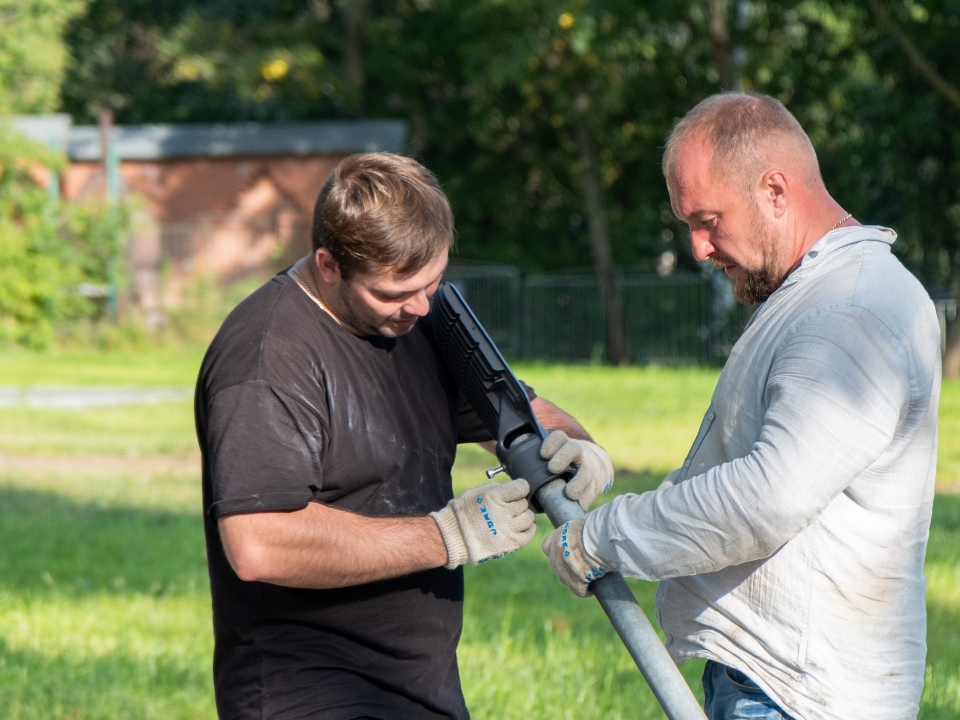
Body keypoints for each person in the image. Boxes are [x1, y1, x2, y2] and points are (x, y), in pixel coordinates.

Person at [542, 92, 940, 720]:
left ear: (775, 191)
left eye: (708, 220)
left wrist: (602, 536)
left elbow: (766, 498)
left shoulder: (849, 311)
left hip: (793, 696)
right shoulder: (824, 293)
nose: (698, 248)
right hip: (781, 683)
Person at [195, 152, 614, 720]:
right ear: (328, 264)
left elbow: (517, 413)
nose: (418, 306)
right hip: (309, 694)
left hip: (421, 687)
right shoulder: (269, 355)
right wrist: (448, 535)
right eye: (394, 293)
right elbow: (259, 542)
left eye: (433, 282)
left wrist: (577, 452)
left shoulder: (421, 319)